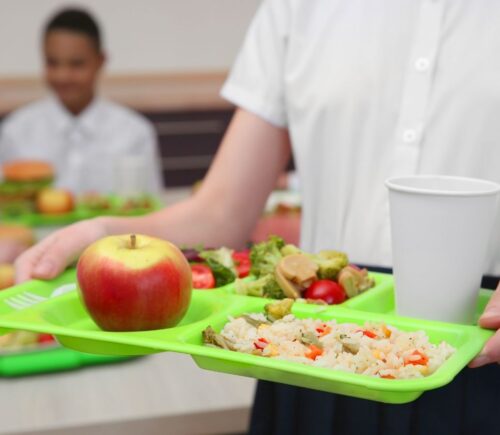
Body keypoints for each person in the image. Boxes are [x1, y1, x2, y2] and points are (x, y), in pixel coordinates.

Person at [14, 1, 500, 433]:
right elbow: (222, 212)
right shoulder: (295, 8)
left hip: (484, 351)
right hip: (313, 347)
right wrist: (104, 232)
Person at [0, 8, 162, 194]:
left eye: (76, 64)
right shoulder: (16, 132)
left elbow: (150, 210)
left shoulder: (134, 133)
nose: (63, 76)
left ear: (100, 61)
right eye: (52, 63)